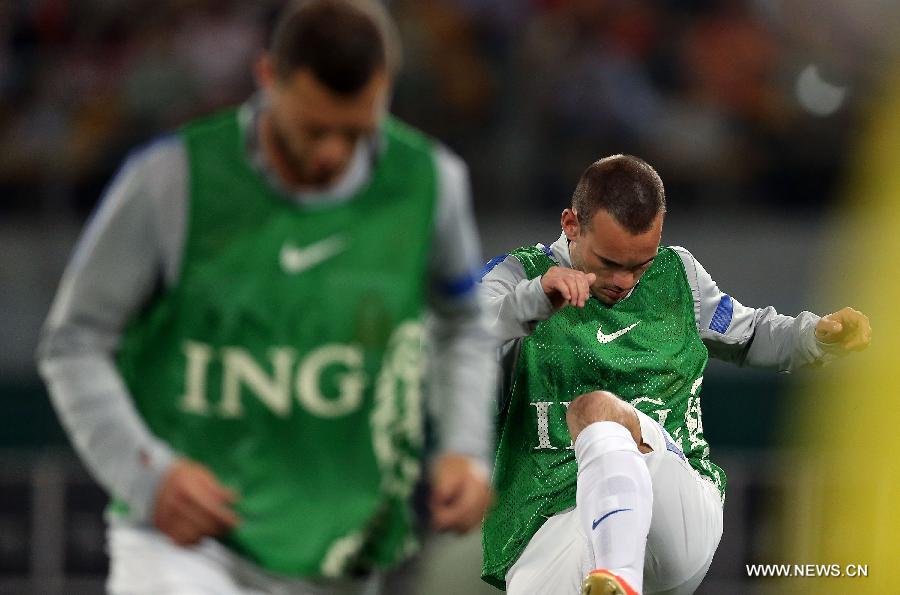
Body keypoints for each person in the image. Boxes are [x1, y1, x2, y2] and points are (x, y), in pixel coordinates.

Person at [37, 1, 495, 593]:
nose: (332, 153)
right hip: (187, 543)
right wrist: (145, 472)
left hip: (339, 547)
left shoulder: (430, 182)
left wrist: (465, 446)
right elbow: (74, 341)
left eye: (355, 131)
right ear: (265, 79)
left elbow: (463, 324)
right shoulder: (173, 179)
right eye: (313, 129)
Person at [478, 154, 871, 595]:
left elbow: (750, 333)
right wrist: (533, 299)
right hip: (546, 525)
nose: (625, 281)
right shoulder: (516, 276)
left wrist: (815, 336)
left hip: (671, 509)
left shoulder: (679, 275)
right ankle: (612, 576)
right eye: (609, 263)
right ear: (571, 224)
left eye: (639, 265)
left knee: (597, 410)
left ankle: (619, 580)